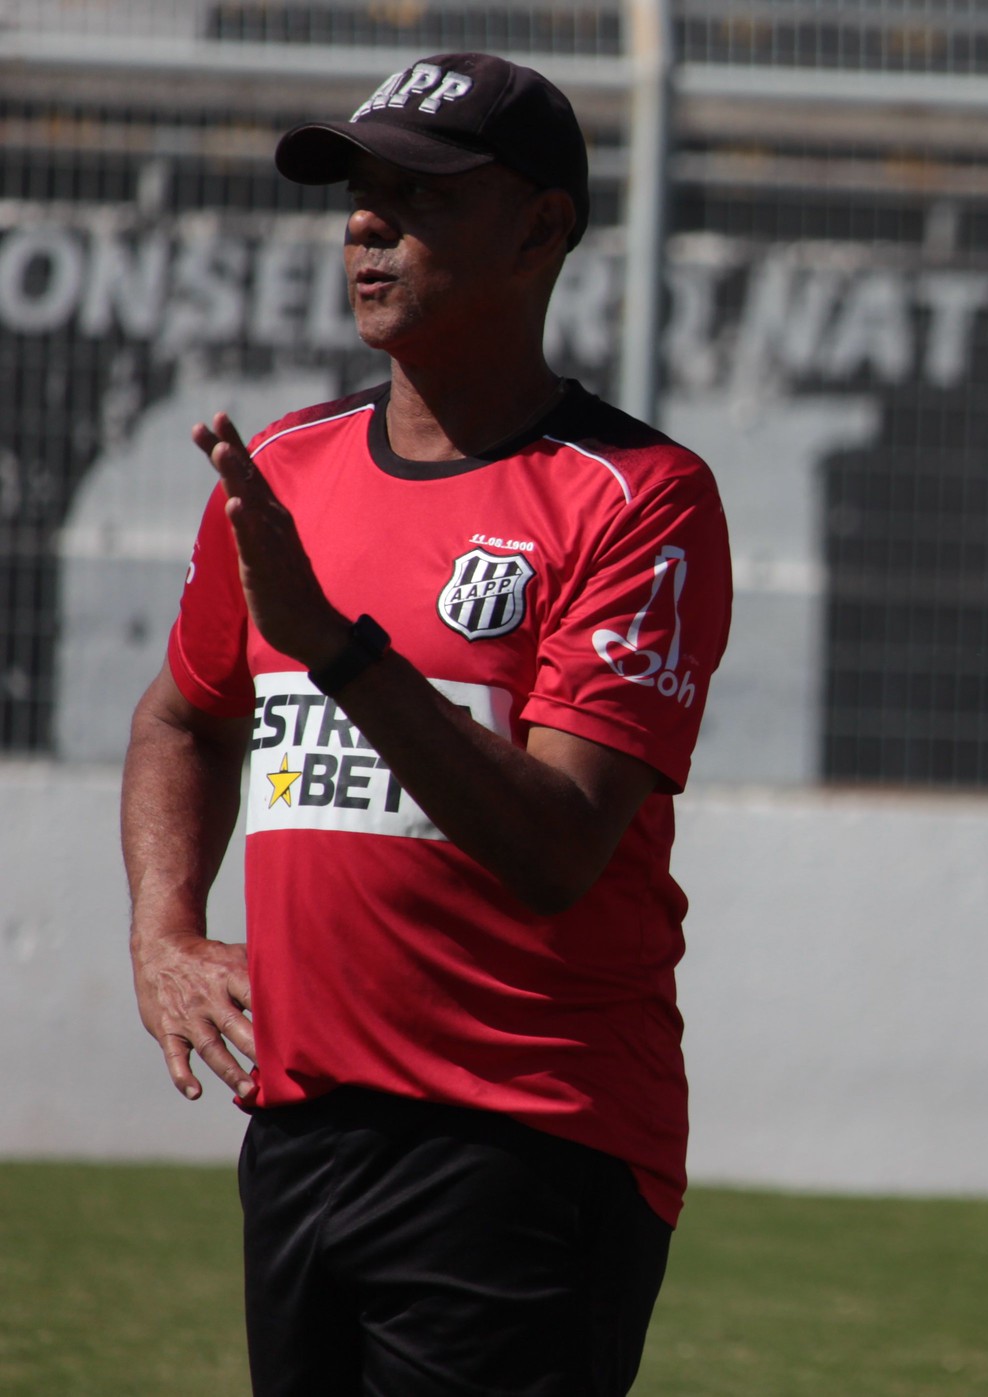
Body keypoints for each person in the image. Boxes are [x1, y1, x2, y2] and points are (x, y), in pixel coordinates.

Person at [121, 53, 732, 1396]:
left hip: (526, 1135)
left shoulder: (640, 499)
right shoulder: (288, 467)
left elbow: (560, 845)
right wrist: (164, 929)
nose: (365, 222)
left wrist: (338, 647)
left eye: (421, 194)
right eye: (359, 191)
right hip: (299, 1128)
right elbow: (182, 715)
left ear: (542, 230)